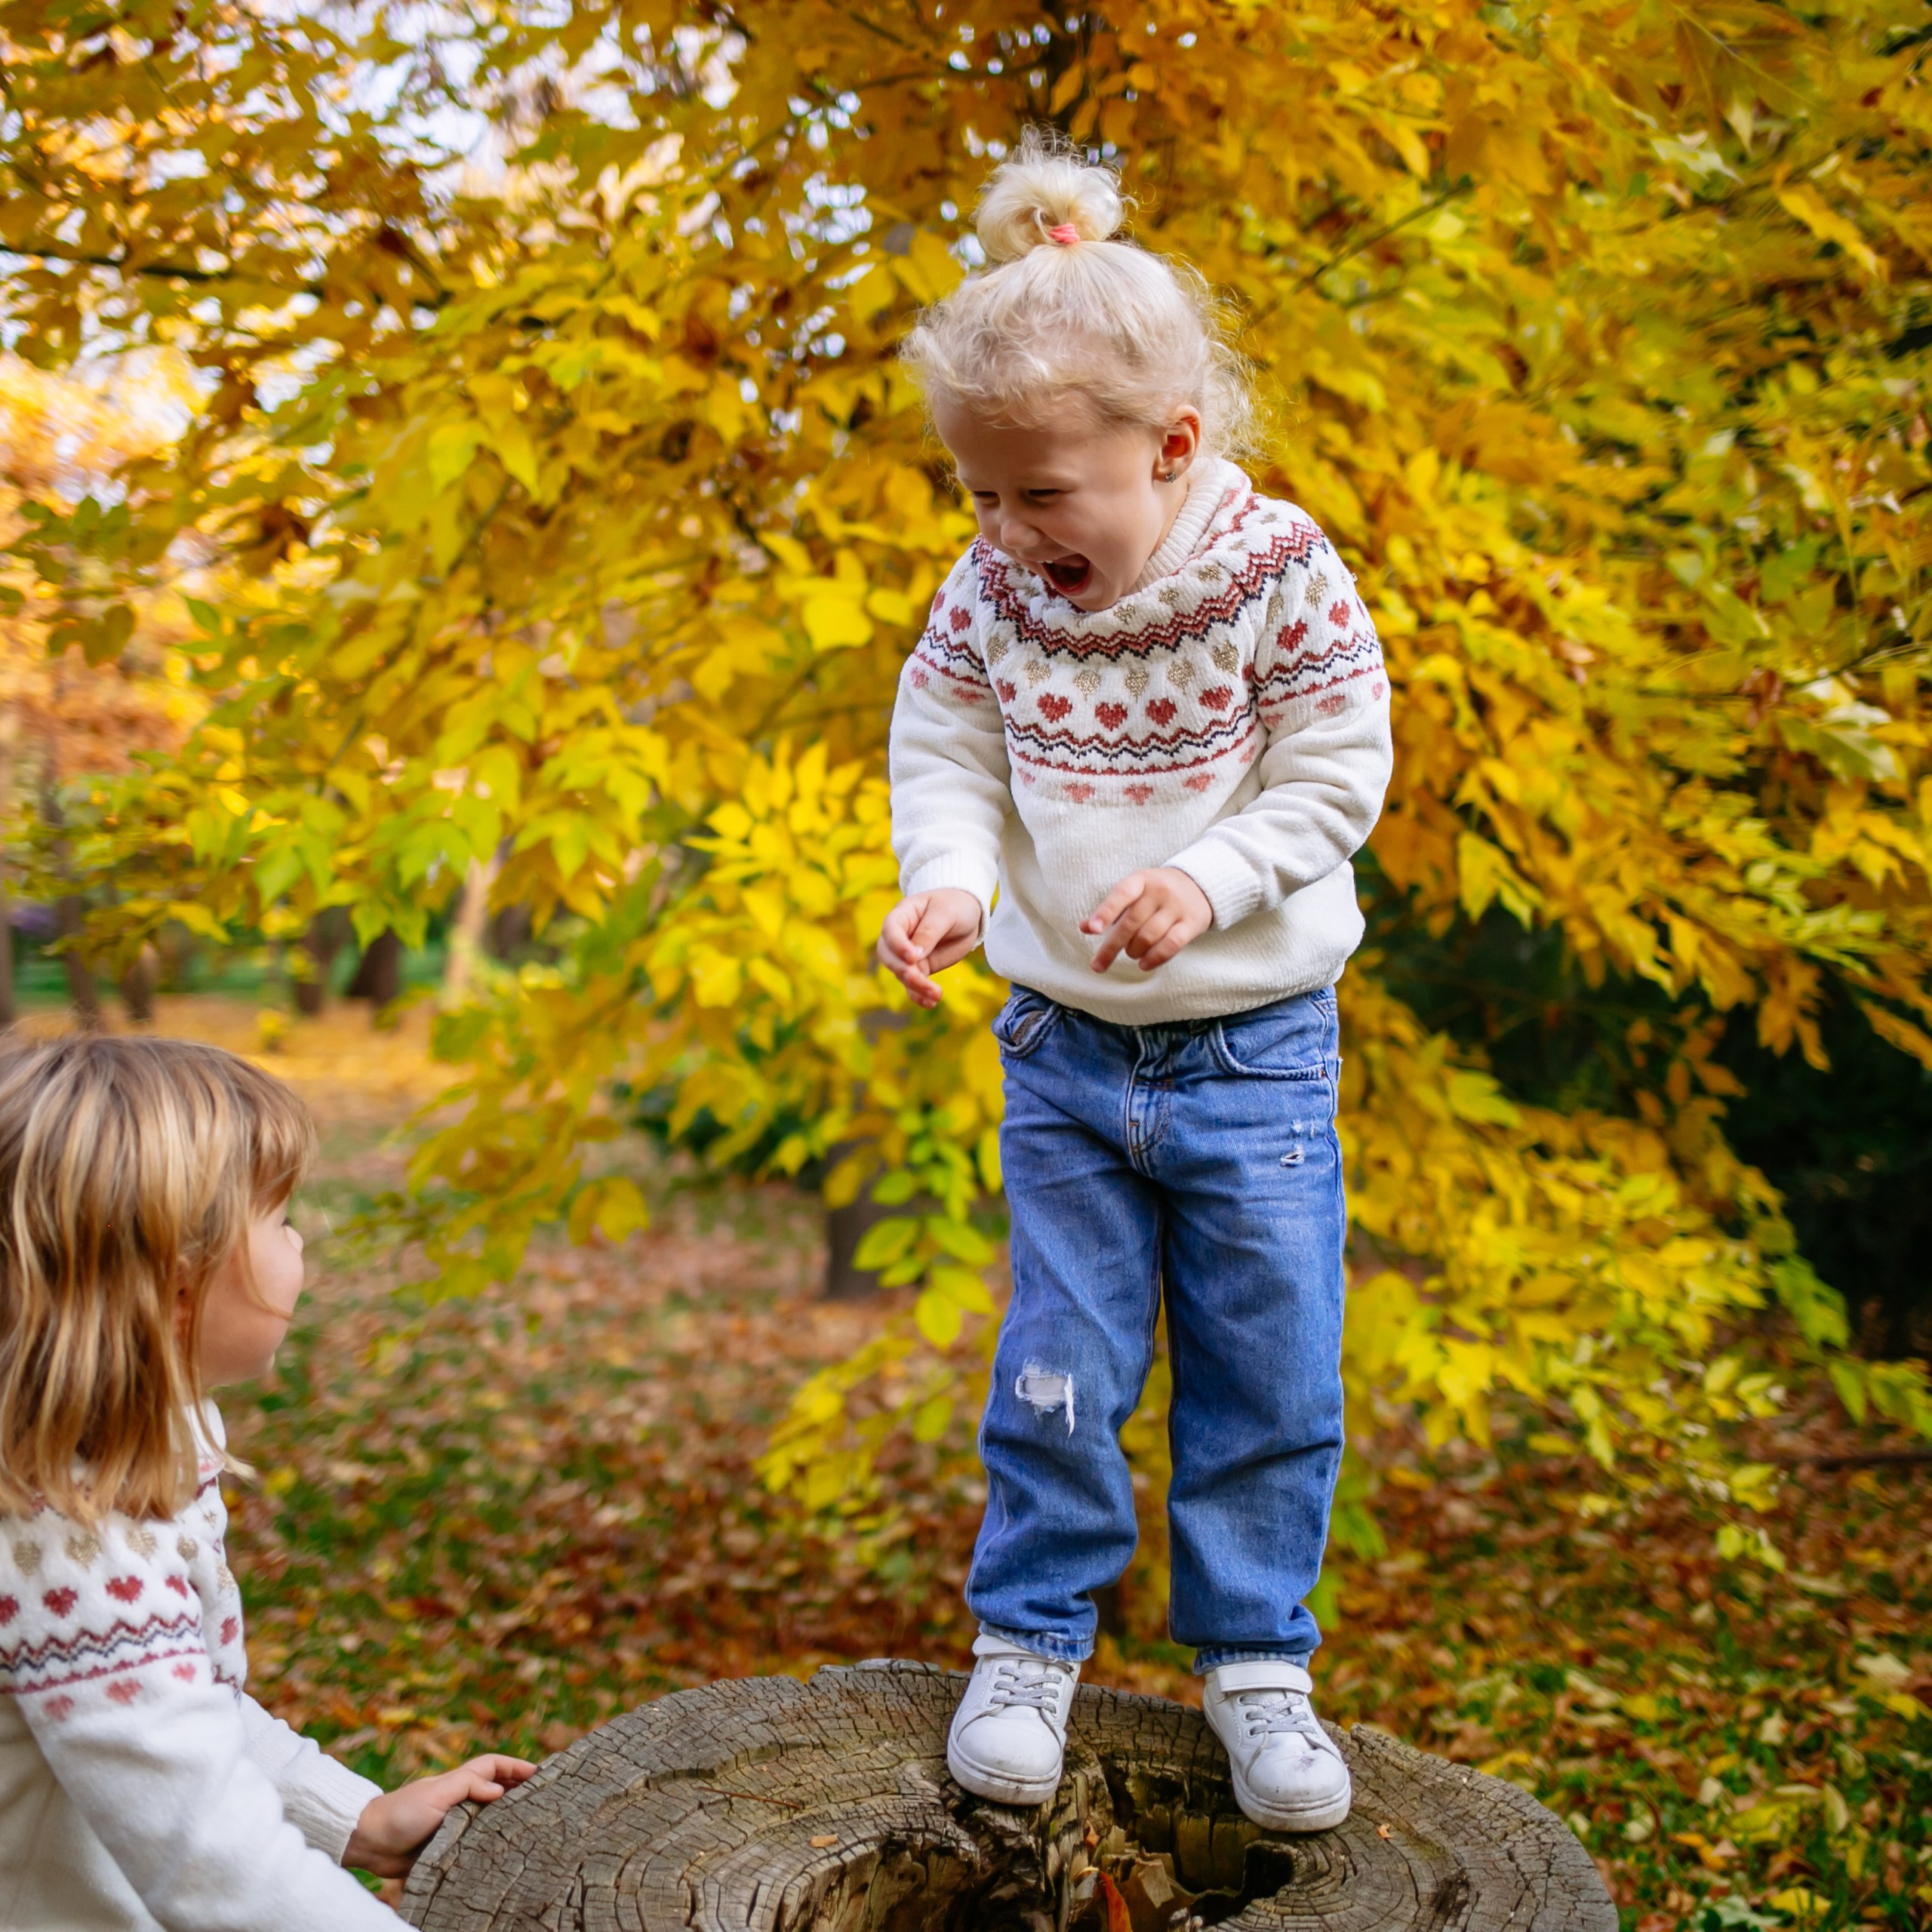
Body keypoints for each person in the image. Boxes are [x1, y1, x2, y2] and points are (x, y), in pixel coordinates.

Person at [877, 132, 1392, 1834]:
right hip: (1065, 1050)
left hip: (1252, 1052)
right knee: (1057, 1362)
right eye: (978, 494)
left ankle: (1257, 1661)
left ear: (1170, 449)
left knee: (1269, 1365)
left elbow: (1334, 770)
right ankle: (1028, 1638)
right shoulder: (991, 591)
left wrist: (1211, 873)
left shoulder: (1274, 572)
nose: (1008, 532)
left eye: (1040, 493)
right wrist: (947, 881)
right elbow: (942, 741)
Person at [0, 1035, 536, 1929]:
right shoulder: (67, 1541)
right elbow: (212, 1860)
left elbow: (185, 1708)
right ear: (177, 1280)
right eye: (280, 1215)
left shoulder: (141, 1447)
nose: (300, 1238)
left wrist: (351, 1817)